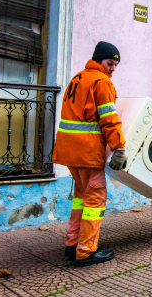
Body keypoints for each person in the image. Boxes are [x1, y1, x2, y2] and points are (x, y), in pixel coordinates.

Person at [53, 41, 128, 266]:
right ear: (98, 60)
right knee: (95, 199)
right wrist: (118, 148)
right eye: (110, 63)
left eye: (115, 64)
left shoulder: (77, 78)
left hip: (69, 150)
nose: (113, 68)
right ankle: (86, 250)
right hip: (86, 151)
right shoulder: (101, 82)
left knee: (80, 198)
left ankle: (72, 244)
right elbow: (109, 120)